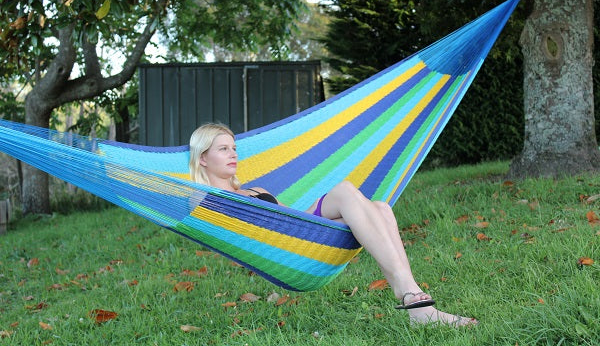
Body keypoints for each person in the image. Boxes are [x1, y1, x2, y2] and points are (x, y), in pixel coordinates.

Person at [189, 123, 478, 327]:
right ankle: (413, 298)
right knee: (345, 191)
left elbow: (289, 214)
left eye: (234, 148)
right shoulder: (210, 200)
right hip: (287, 246)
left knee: (381, 208)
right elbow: (197, 214)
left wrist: (315, 226)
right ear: (202, 158)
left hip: (302, 229)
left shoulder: (253, 190)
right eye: (223, 149)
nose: (233, 154)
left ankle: (414, 300)